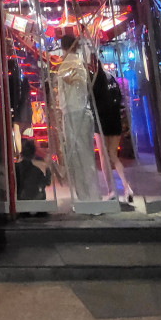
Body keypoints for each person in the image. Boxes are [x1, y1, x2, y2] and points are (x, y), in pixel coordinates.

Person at [53, 34, 101, 203]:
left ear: (63, 47)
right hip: (81, 112)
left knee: (80, 157)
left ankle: (88, 198)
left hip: (74, 114)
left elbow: (70, 92)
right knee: (84, 156)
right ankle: (90, 196)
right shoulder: (78, 63)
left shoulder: (68, 65)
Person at [92, 59, 134, 201]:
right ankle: (126, 186)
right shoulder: (111, 78)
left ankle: (111, 191)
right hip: (115, 120)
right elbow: (119, 97)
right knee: (113, 155)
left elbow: (91, 100)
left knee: (104, 156)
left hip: (101, 121)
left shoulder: (94, 80)